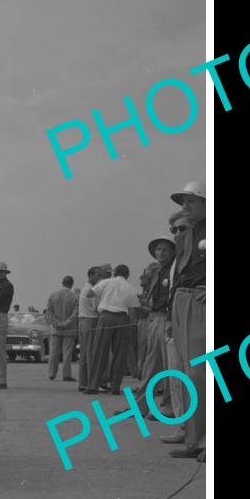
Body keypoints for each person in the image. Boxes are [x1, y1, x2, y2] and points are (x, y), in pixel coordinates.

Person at [168, 181, 207, 461]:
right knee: (185, 371)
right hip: (182, 300)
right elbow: (179, 274)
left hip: (200, 300)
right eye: (183, 201)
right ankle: (194, 437)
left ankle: (205, 440)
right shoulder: (190, 234)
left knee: (201, 373)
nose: (185, 206)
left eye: (191, 201)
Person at [136, 233, 177, 421]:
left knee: (169, 365)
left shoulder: (173, 270)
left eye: (165, 250)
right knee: (151, 365)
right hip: (155, 318)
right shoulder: (159, 271)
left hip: (166, 318)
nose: (161, 253)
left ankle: (168, 405)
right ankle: (141, 406)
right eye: (159, 249)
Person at [89, 264, 140, 395]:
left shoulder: (107, 282)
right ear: (127, 275)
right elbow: (133, 309)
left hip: (106, 316)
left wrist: (102, 298)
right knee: (120, 354)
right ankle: (115, 386)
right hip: (122, 318)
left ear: (115, 273)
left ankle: (93, 385)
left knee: (99, 350)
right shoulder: (131, 288)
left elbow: (90, 293)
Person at [77, 264, 109, 393]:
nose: (100, 277)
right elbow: (96, 308)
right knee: (92, 354)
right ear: (91, 275)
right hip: (91, 321)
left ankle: (83, 382)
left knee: (85, 353)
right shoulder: (92, 290)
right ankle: (92, 382)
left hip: (84, 321)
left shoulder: (85, 288)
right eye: (98, 275)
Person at [44, 275, 80, 382]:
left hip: (56, 329)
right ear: (71, 284)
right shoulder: (74, 297)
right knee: (67, 353)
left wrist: (56, 323)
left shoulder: (53, 295)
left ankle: (51, 373)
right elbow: (75, 313)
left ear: (62, 283)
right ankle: (66, 374)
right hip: (69, 329)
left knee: (54, 352)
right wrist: (66, 323)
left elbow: (48, 312)